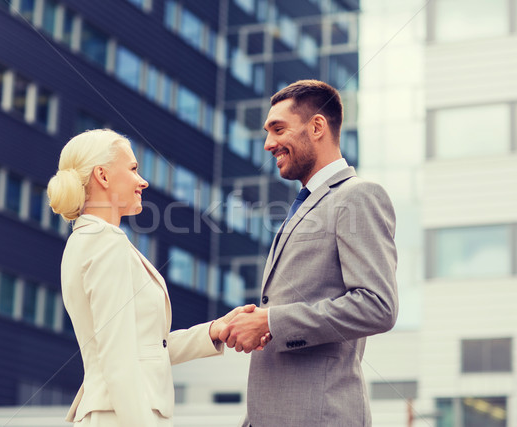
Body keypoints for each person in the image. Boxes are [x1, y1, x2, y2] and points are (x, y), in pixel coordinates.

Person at [47, 129, 260, 426]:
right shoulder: (106, 242)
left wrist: (213, 330)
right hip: (123, 416)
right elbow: (118, 358)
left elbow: (145, 348)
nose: (142, 180)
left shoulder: (86, 240)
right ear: (103, 177)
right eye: (133, 169)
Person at [219, 80, 399, 426]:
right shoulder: (305, 206)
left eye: (278, 129)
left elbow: (379, 306)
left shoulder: (357, 196)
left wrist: (271, 321)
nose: (269, 143)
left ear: (317, 127)